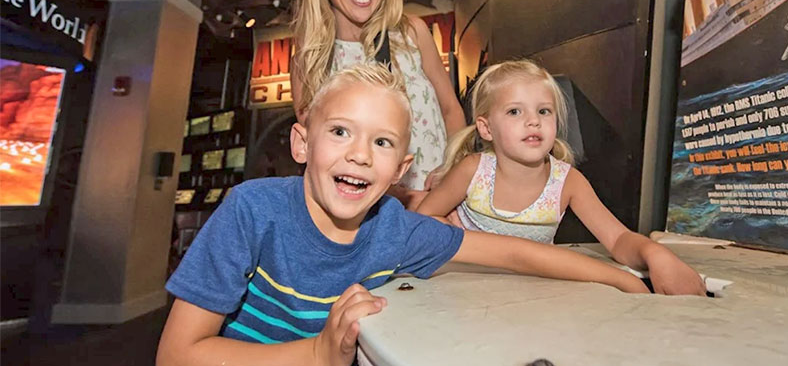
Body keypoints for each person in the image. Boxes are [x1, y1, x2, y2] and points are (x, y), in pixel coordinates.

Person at [157, 64, 649, 366]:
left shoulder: (396, 230)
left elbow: (516, 253)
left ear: (401, 168)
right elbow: (177, 355)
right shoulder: (251, 211)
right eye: (341, 132)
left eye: (382, 142)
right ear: (302, 144)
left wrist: (621, 280)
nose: (360, 155)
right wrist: (313, 355)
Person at [416, 60, 707, 296]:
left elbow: (618, 238)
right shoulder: (473, 170)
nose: (533, 120)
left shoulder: (568, 182)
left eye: (544, 111)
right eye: (515, 111)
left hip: (533, 295)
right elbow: (422, 222)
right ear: (486, 127)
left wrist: (656, 255)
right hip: (464, 292)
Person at [289, 0, 464, 206]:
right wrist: (405, 199)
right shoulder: (310, 59)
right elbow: (325, 160)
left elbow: (450, 110)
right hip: (370, 211)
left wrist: (452, 172)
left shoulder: (412, 33)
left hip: (444, 200)